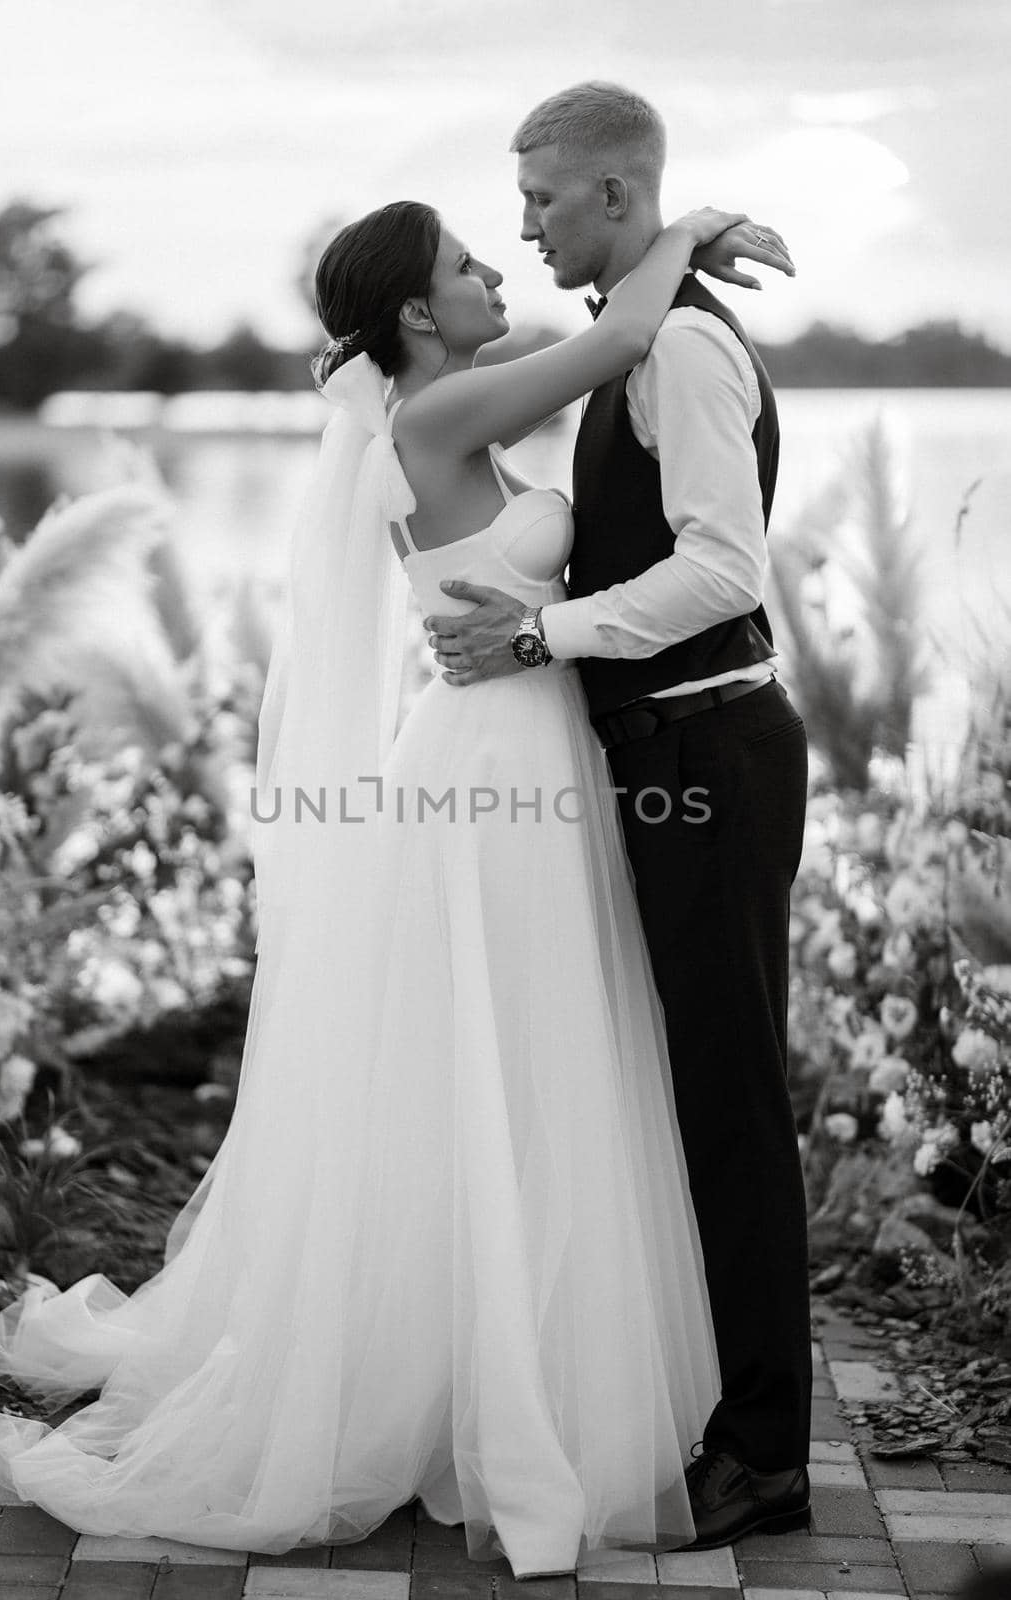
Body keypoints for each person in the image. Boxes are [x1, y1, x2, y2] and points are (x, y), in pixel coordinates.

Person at [0, 195, 792, 1576]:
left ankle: (508, 1361)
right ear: (417, 313)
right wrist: (683, 226)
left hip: (537, 754)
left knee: (532, 1065)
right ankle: (499, 1391)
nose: (491, 272)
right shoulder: (430, 421)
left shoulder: (448, 403)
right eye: (469, 265)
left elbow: (624, 378)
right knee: (502, 1060)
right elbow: (632, 331)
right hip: (491, 774)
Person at [423, 81, 812, 1551]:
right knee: (693, 1087)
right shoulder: (636, 333)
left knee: (731, 1101)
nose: (521, 223)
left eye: (540, 197)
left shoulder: (687, 351)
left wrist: (540, 640)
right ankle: (729, 1406)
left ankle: (769, 1454)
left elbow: (724, 570)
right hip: (672, 753)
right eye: (514, 202)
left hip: (710, 753)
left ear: (615, 196)